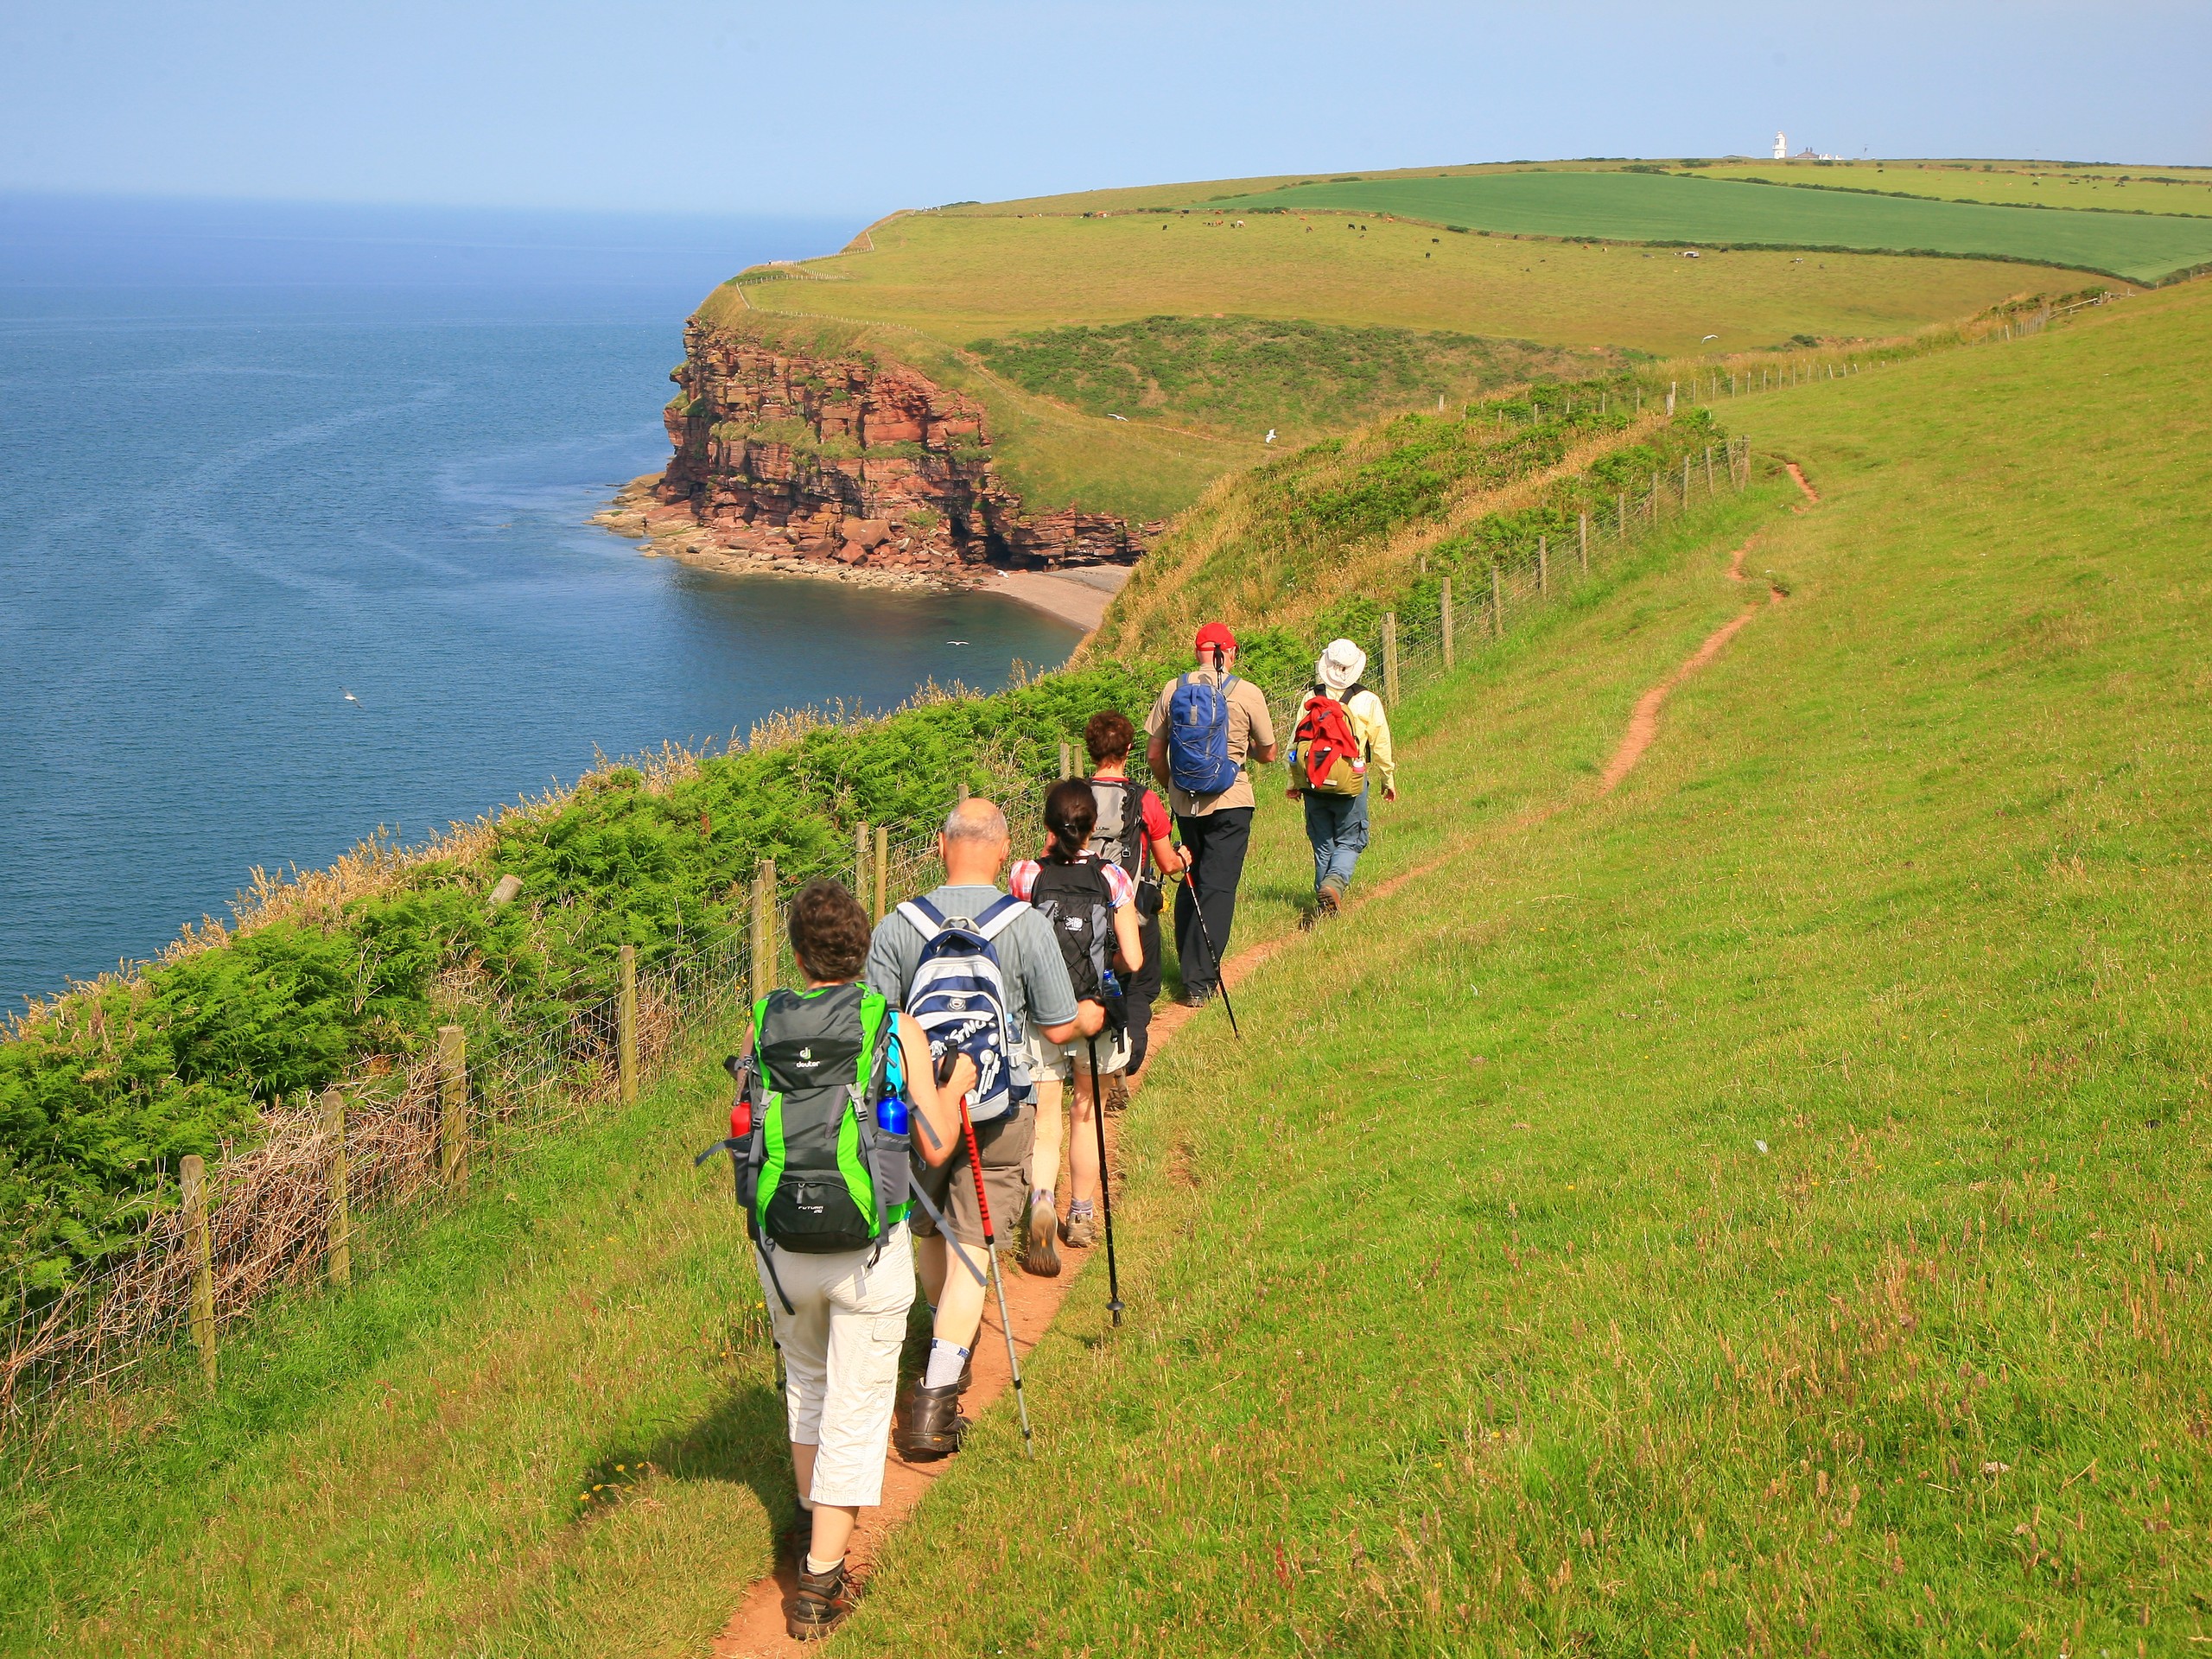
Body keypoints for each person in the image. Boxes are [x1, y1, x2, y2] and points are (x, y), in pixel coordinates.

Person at [740, 879, 966, 1641]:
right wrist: (954, 1083)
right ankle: (820, 1585)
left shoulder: (763, 1022)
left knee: (806, 1386)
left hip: (783, 1249)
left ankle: (813, 1531)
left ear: (798, 955)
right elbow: (933, 1145)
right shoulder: (893, 1025)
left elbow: (748, 1133)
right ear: (864, 951)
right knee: (859, 1407)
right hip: (869, 1249)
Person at [861, 798, 1081, 1459]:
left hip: (918, 1113)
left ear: (939, 844)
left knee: (928, 1227)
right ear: (1005, 847)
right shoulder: (1026, 923)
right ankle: (937, 1395)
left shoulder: (897, 926)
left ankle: (942, 1340)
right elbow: (1058, 1023)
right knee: (973, 1247)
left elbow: (874, 1029)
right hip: (997, 1113)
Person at [1008, 779, 1146, 1273]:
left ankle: (1041, 1204)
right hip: (1092, 1015)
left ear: (1048, 826)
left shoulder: (1026, 876)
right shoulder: (1114, 880)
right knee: (1086, 1112)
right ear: (1094, 827)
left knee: (1045, 1122)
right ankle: (1081, 1213)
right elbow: (1133, 956)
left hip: (1041, 1015)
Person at [1144, 621, 1276, 1007]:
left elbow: (1154, 754)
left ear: (1196, 651)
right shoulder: (1247, 693)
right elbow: (1268, 752)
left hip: (1186, 803)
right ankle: (1200, 982)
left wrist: (1174, 787)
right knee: (1218, 887)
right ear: (1230, 653)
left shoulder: (1174, 689)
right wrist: (1242, 753)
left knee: (1190, 878)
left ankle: (1189, 969)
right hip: (1231, 801)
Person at [1077, 709, 1182, 1082]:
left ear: (1090, 749)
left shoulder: (1073, 798)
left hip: (1077, 916)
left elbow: (1049, 854)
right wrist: (1185, 856)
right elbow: (1167, 863)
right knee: (1140, 985)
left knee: (1087, 985)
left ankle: (1090, 1062)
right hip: (1131, 913)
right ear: (1129, 748)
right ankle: (1129, 1052)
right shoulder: (1144, 800)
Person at [1285, 637, 1396, 917]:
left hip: (1313, 782)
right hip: (1351, 784)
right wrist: (1387, 778)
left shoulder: (1311, 699)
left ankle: (1326, 904)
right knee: (1351, 839)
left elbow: (1295, 744)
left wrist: (1294, 781)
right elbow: (1381, 744)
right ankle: (1334, 885)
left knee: (1323, 842)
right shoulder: (1367, 700)